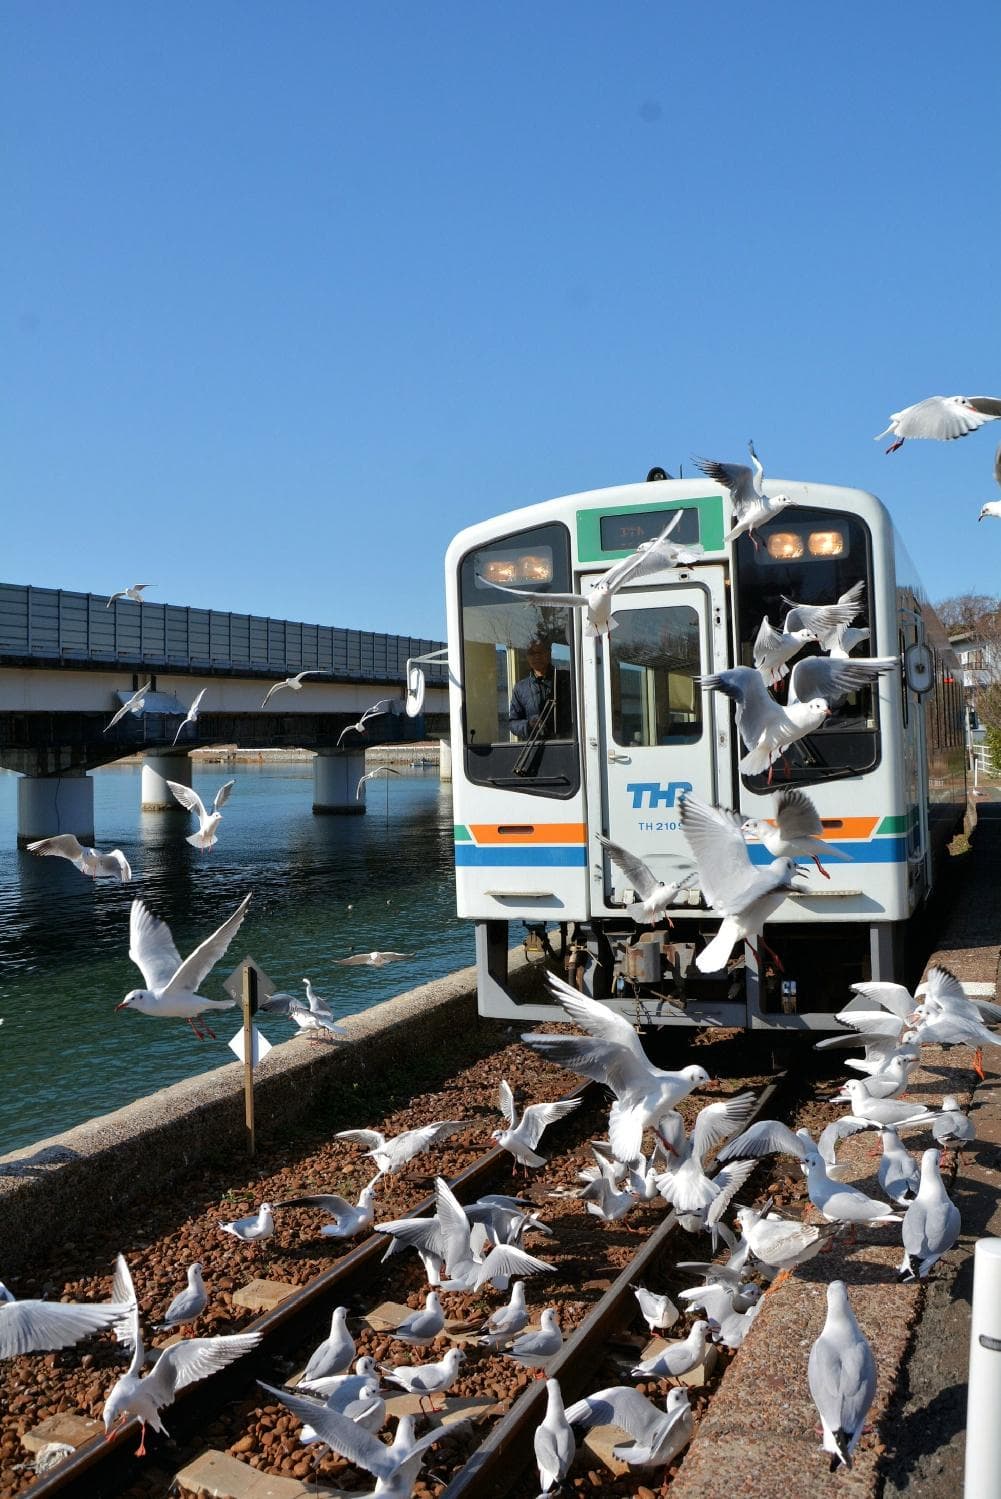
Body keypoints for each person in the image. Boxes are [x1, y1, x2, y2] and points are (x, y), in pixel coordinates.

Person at [508, 640, 571, 740]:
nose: (537, 657)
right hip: (535, 750)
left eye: (540, 652)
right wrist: (528, 725)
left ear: (549, 654)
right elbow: (513, 723)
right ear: (527, 657)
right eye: (532, 653)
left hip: (567, 746)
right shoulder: (521, 688)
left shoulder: (567, 679)